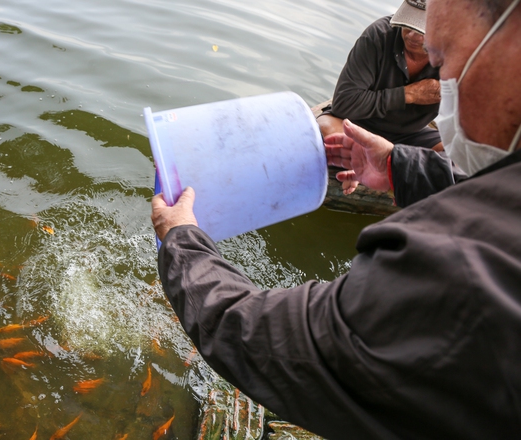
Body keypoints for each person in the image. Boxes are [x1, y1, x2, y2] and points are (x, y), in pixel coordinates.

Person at [150, 0, 521, 438]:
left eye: (442, 61)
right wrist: (399, 168)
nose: (442, 84)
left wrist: (182, 241)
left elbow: (266, 341)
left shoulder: (460, 269)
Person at [317, 0, 443, 152]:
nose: (411, 35)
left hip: (410, 135)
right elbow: (344, 104)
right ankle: (387, 162)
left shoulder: (464, 56)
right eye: (408, 24)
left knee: (460, 160)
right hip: (356, 123)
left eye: (423, 29)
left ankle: (389, 161)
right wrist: (408, 94)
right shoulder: (378, 35)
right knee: (327, 129)